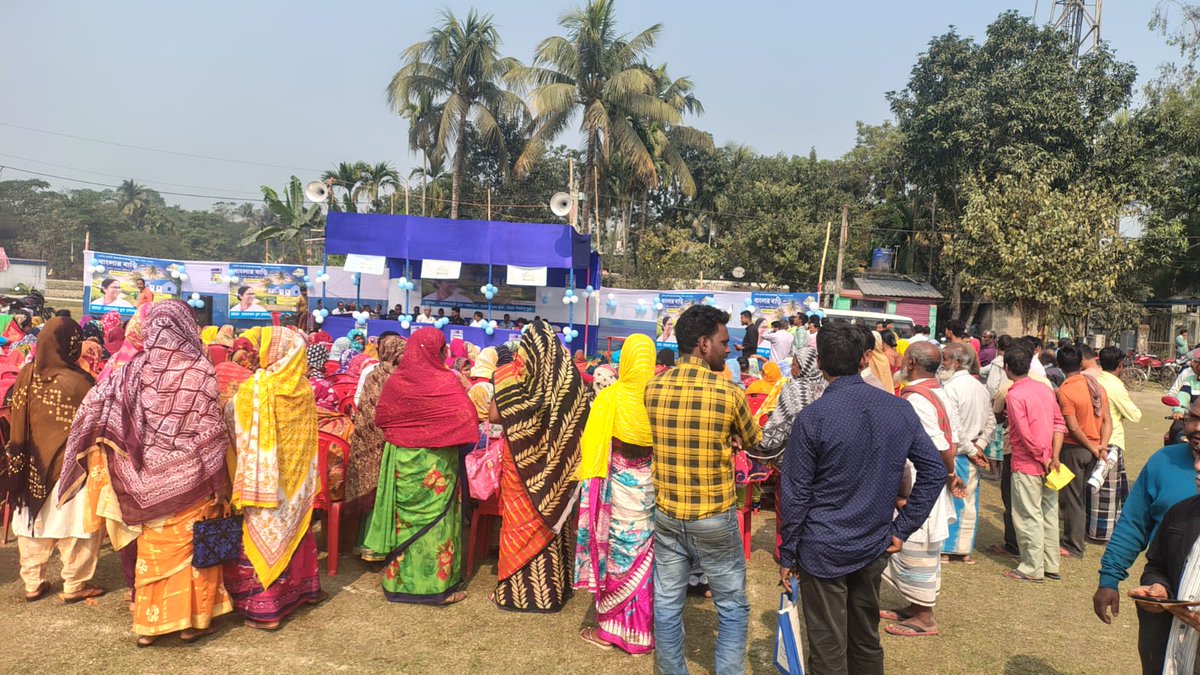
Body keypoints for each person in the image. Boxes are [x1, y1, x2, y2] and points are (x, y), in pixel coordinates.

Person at [59, 300, 232, 645]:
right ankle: (192, 623)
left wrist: (111, 454)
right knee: (191, 554)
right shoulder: (199, 370)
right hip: (193, 479)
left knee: (152, 553)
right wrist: (220, 484)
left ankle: (149, 627)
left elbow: (92, 407)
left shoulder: (132, 369)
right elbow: (210, 434)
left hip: (145, 482)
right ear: (186, 326)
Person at [779, 322, 944, 674]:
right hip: (872, 541)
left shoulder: (814, 417)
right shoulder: (897, 409)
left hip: (830, 544)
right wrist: (902, 528)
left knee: (828, 646)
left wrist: (788, 552)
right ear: (867, 358)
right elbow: (934, 471)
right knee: (864, 639)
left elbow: (795, 493)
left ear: (820, 362)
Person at [644, 305, 761, 675]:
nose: (730, 349)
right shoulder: (729, 394)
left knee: (666, 602)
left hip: (667, 513)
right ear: (703, 344)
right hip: (713, 516)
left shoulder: (653, 388)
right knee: (731, 606)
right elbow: (754, 441)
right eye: (724, 342)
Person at [364, 328, 477, 603]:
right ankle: (436, 589)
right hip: (436, 465)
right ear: (438, 352)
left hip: (403, 462)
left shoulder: (396, 383)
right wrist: (437, 433)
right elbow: (467, 420)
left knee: (406, 523)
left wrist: (410, 432)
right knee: (437, 525)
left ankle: (398, 584)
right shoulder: (447, 383)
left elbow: (383, 419)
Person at [225, 326, 325, 629]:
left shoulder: (257, 387)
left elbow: (235, 423)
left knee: (263, 529)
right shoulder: (304, 388)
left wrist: (228, 403)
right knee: (295, 526)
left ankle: (266, 607)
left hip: (264, 483)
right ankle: (304, 590)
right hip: (295, 479)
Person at [489, 318, 588, 612]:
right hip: (556, 467)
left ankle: (514, 593)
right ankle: (552, 591)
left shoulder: (510, 378)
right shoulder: (571, 382)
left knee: (517, 524)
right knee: (552, 519)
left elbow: (495, 417)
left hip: (520, 465)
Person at [1, 318, 103, 603]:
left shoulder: (27, 373)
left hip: (31, 465)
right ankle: (74, 584)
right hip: (71, 469)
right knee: (74, 526)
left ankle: (33, 583)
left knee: (33, 524)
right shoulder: (79, 381)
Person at [574, 333, 656, 655]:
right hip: (649, 488)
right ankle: (641, 632)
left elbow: (592, 441)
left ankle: (611, 630)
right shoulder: (658, 399)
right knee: (643, 557)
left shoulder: (611, 397)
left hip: (617, 489)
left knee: (618, 554)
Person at [1091, 398, 1199, 636]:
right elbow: (1134, 524)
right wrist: (1109, 579)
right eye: (1194, 418)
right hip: (1164, 597)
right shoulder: (1163, 462)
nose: (1197, 427)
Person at [883, 341, 961, 637]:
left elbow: (938, 447)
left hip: (920, 481)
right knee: (919, 547)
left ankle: (925, 618)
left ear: (912, 364)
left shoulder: (916, 399)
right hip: (933, 479)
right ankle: (915, 607)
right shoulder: (941, 391)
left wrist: (948, 473)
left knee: (917, 547)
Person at [1003, 343, 1067, 583]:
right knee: (1048, 514)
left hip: (1030, 463)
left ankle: (1032, 567)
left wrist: (1045, 457)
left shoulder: (1015, 394)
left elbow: (1024, 433)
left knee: (1028, 515)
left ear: (1007, 367)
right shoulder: (1045, 389)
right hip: (1051, 463)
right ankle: (1050, 563)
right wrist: (1054, 457)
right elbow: (1059, 424)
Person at [1130, 481, 1200, 674]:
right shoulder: (1180, 513)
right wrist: (1158, 588)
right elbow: (1157, 565)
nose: (1197, 466)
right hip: (1169, 656)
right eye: (1198, 456)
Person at [940, 343, 995, 563]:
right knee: (969, 501)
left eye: (945, 359)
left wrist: (974, 448)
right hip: (971, 451)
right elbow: (991, 421)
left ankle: (948, 549)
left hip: (959, 452)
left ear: (957, 362)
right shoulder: (978, 387)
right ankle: (964, 550)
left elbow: (954, 428)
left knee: (953, 500)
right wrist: (979, 445)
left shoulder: (951, 388)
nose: (942, 364)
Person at [1056, 345, 1112, 558]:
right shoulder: (1095, 386)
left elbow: (1073, 428)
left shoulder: (1065, 390)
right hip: (1094, 448)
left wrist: (1093, 446)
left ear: (1059, 366)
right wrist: (1101, 446)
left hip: (1075, 449)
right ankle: (1073, 539)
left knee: (1071, 498)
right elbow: (1108, 420)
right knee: (1078, 497)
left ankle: (1073, 544)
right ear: (1080, 363)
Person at [346, 334, 406, 526]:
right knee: (387, 484)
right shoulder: (401, 378)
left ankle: (365, 536)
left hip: (367, 436)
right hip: (391, 441)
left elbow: (360, 402)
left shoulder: (372, 374)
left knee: (371, 481)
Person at [1092, 346, 1140, 543]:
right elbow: (1135, 415)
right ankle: (1103, 534)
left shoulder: (1093, 379)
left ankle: (1096, 528)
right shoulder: (1115, 386)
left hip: (1093, 439)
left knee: (1098, 487)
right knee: (1109, 493)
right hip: (1111, 441)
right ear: (1120, 365)